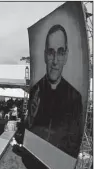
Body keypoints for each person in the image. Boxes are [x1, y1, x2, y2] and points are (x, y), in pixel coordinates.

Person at [27, 24, 83, 158]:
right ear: (46, 55)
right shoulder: (36, 90)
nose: (55, 61)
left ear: (66, 56)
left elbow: (74, 142)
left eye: (61, 52)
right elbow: (29, 127)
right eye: (51, 52)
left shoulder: (75, 97)